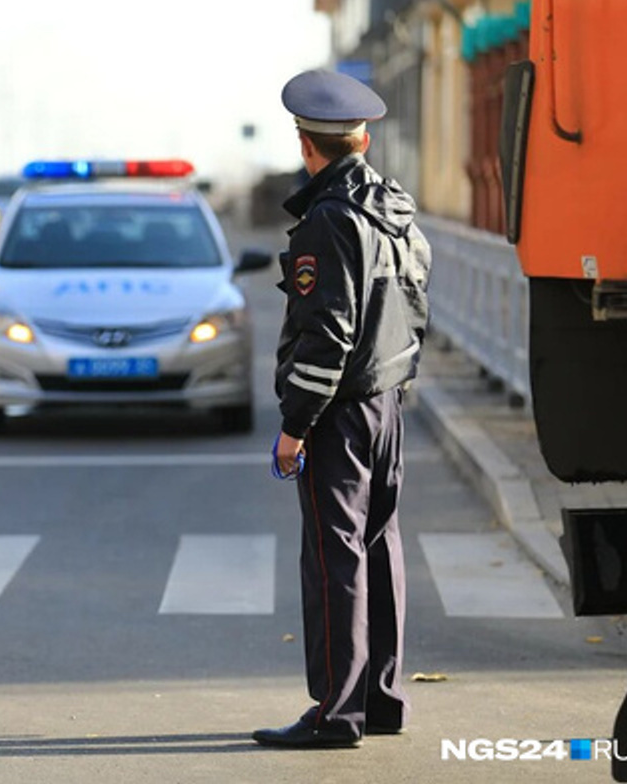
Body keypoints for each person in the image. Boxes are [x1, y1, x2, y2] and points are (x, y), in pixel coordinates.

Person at [254, 69, 431, 750]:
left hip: (341, 412)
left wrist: (296, 427)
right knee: (379, 547)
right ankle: (379, 698)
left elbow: (326, 332)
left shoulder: (329, 221)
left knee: (335, 559)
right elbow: (414, 304)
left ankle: (335, 712)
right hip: (386, 402)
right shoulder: (393, 206)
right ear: (362, 137)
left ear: (307, 145)